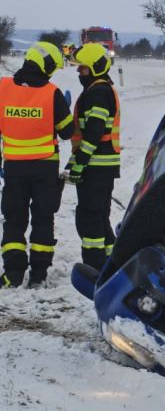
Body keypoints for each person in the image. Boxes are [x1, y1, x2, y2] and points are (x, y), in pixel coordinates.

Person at [0, 42, 73, 288]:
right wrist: (64, 109)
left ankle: (13, 274)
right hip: (45, 168)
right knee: (43, 218)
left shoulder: (3, 88)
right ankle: (38, 274)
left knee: (14, 218)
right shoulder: (52, 93)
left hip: (14, 168)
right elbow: (67, 132)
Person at [67, 43, 121, 271]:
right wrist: (75, 161)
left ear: (95, 67)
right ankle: (112, 262)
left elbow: (94, 131)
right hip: (102, 166)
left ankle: (94, 267)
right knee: (99, 216)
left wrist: (80, 163)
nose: (79, 72)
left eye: (83, 68)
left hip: (96, 166)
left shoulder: (97, 93)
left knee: (89, 218)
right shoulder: (101, 89)